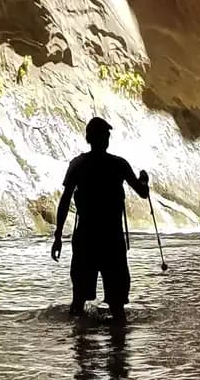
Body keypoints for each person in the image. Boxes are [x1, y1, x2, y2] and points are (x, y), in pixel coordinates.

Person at [51, 117, 150, 322]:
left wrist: (58, 236)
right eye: (106, 135)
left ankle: (78, 339)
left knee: (78, 302)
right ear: (106, 140)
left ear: (88, 139)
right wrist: (144, 180)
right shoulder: (119, 165)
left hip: (85, 238)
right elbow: (142, 192)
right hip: (112, 240)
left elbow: (65, 201)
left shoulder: (78, 165)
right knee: (117, 306)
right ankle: (118, 340)